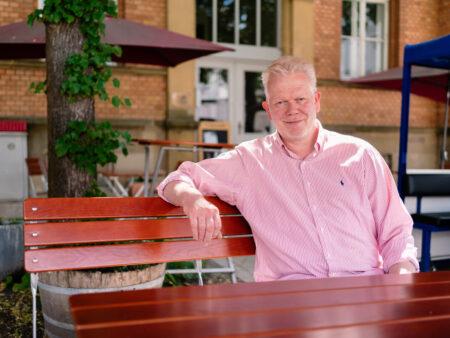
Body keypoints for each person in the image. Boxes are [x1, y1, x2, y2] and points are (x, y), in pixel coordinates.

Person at [157, 56, 419, 282]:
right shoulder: (250, 161)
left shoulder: (359, 155)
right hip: (291, 299)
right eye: (280, 102)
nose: (292, 110)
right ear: (268, 109)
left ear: (316, 101)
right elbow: (177, 178)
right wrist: (192, 200)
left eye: (300, 99)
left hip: (365, 293)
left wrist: (401, 279)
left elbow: (396, 231)